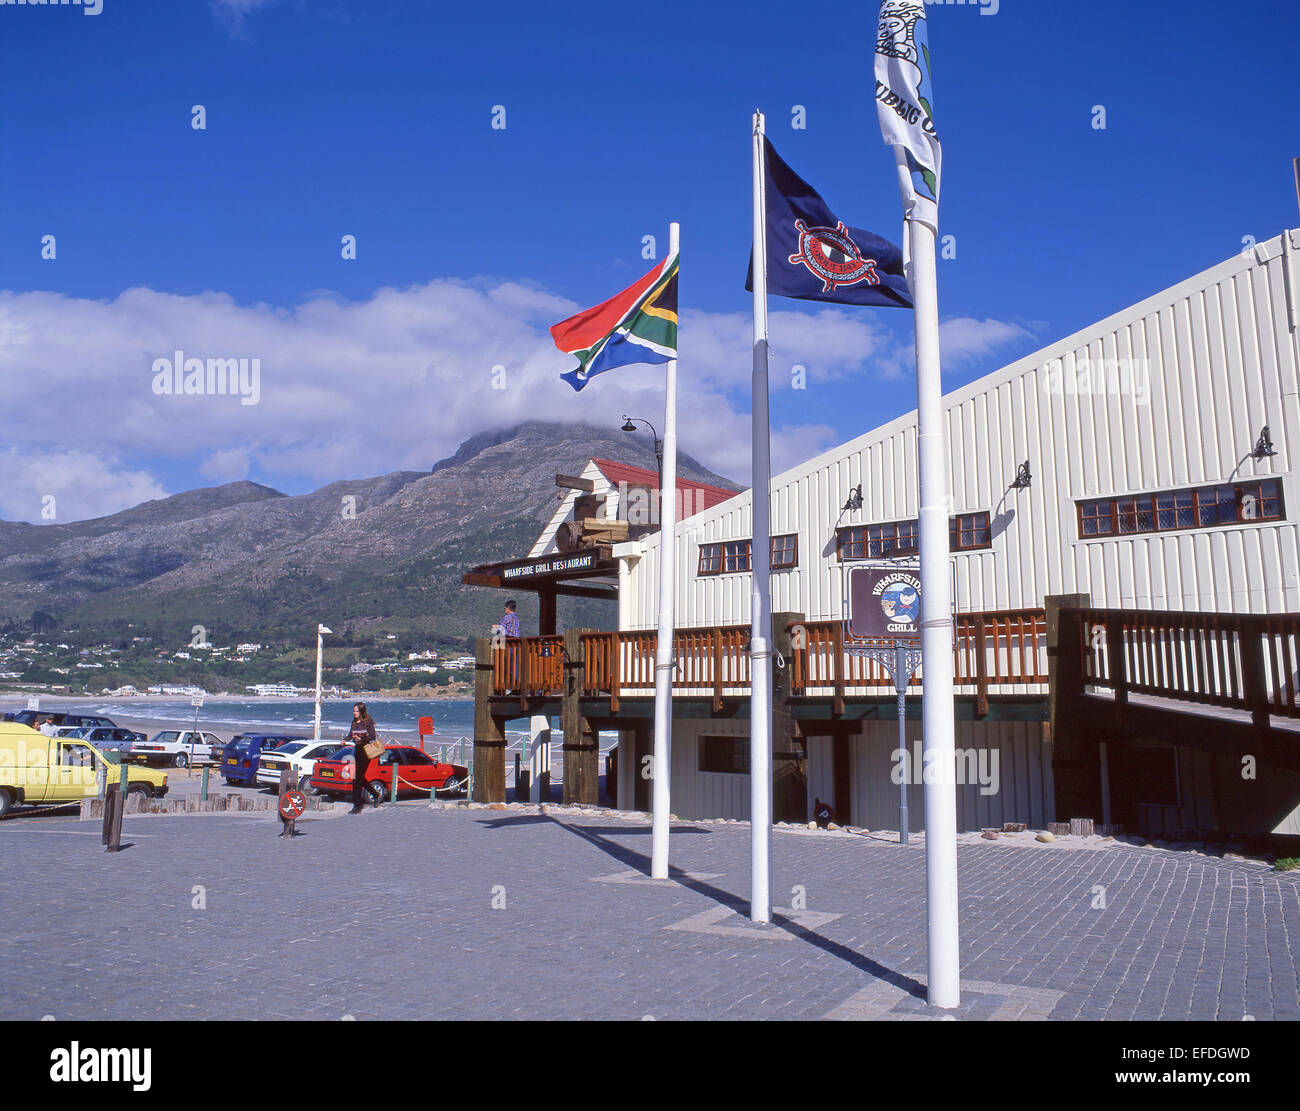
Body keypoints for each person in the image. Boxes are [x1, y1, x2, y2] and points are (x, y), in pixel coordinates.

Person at [346, 702, 379, 814]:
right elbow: (350, 734)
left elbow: (372, 736)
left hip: (366, 751)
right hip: (357, 750)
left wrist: (361, 738)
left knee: (357, 779)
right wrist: (345, 739)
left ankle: (357, 806)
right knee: (359, 778)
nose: (354, 713)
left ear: (361, 711)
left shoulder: (367, 721)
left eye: (356, 711)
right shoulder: (354, 722)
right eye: (354, 711)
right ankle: (375, 794)